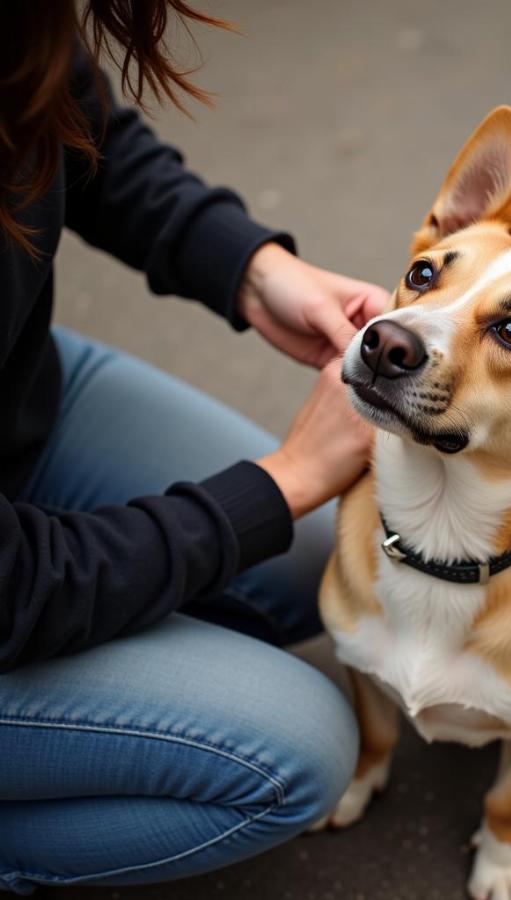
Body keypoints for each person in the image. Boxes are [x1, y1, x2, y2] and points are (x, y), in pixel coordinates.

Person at [0, 2, 388, 893]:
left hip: (21, 399)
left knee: (316, 571)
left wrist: (252, 268)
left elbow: (71, 118)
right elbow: (14, 588)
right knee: (296, 750)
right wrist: (279, 482)